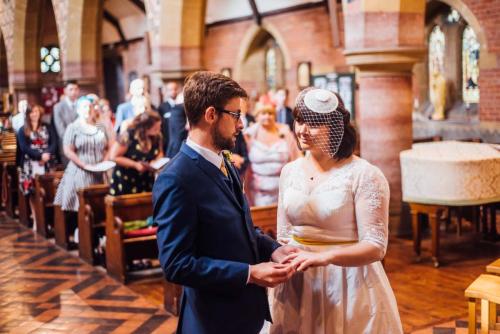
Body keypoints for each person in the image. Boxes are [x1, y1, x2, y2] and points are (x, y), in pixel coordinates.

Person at [153, 71, 298, 334]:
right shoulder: (176, 178)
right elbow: (176, 264)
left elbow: (238, 226)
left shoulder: (224, 162)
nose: (241, 125)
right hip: (212, 320)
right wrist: (250, 273)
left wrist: (272, 248)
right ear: (211, 115)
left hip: (245, 314)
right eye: (235, 115)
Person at [270, 88, 403, 333]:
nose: (302, 130)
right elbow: (284, 234)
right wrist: (282, 260)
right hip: (297, 279)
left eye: (313, 124)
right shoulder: (290, 171)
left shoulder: (364, 174)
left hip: (348, 282)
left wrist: (324, 258)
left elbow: (375, 246)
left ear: (334, 127)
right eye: (299, 121)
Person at [54, 95, 110, 243]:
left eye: (90, 106)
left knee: (98, 206)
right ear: (78, 110)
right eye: (84, 107)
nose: (88, 109)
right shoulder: (73, 127)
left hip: (98, 171)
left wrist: (104, 162)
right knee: (83, 205)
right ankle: (83, 235)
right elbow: (68, 150)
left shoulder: (99, 126)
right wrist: (84, 165)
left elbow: (108, 147)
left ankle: (98, 237)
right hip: (80, 171)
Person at [244, 103, 301, 206]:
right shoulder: (249, 136)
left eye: (270, 113)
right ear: (257, 116)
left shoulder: (286, 133)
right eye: (263, 113)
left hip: (284, 191)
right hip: (258, 195)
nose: (267, 116)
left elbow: (297, 159)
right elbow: (246, 165)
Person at [17, 105, 57, 230]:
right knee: (33, 193)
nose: (34, 114)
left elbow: (54, 143)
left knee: (47, 193)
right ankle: (36, 219)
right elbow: (24, 148)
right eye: (31, 112)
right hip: (30, 165)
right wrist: (39, 156)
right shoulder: (22, 130)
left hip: (46, 163)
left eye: (36, 111)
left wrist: (46, 156)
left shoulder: (47, 126)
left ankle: (47, 220)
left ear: (40, 112)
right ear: (27, 115)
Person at [109, 111, 163, 196]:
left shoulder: (156, 137)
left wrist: (155, 162)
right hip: (126, 180)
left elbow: (160, 153)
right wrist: (135, 165)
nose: (158, 130)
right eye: (156, 128)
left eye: (159, 127)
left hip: (146, 181)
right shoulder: (128, 135)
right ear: (146, 127)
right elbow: (113, 157)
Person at [53, 81, 80, 165]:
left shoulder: (83, 104)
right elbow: (61, 130)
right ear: (65, 91)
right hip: (67, 147)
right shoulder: (58, 107)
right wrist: (73, 142)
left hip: (83, 146)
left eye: (76, 89)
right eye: (71, 89)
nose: (73, 92)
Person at [158, 81, 180, 152]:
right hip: (167, 142)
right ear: (166, 91)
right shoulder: (162, 107)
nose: (173, 91)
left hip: (180, 141)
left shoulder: (182, 106)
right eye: (171, 90)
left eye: (175, 89)